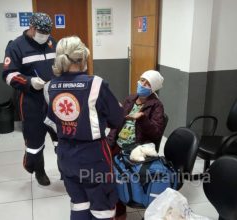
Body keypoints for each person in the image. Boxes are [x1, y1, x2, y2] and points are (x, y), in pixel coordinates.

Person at [44, 36, 124, 220]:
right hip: (93, 158)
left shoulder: (49, 87)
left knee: (78, 203)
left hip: (65, 157)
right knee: (102, 206)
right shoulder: (96, 84)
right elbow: (117, 119)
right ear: (82, 59)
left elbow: (51, 122)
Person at [2, 12, 57, 186]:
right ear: (31, 28)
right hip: (32, 101)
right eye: (41, 31)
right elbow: (8, 75)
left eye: (47, 32)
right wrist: (29, 81)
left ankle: (66, 170)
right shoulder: (16, 46)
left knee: (61, 138)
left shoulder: (51, 42)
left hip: (55, 100)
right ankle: (38, 171)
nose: (44, 35)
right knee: (35, 141)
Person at [106, 70, 165, 220]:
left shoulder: (156, 105)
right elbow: (117, 124)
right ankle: (114, 209)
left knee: (120, 179)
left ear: (154, 87)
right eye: (142, 80)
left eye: (147, 83)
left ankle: (120, 213)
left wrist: (143, 118)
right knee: (107, 177)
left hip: (134, 148)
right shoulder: (131, 98)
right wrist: (108, 141)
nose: (142, 84)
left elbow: (156, 133)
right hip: (118, 143)